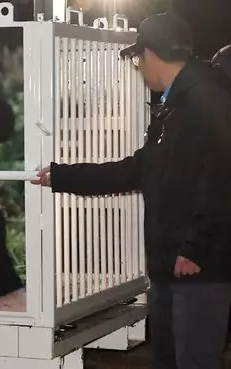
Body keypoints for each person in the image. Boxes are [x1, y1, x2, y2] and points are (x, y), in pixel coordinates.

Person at [31, 13, 231, 369]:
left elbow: (221, 177)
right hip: (172, 264)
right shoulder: (175, 104)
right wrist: (62, 176)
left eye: (139, 58)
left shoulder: (205, 99)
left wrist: (196, 247)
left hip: (197, 267)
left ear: (152, 54)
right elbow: (139, 168)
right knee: (172, 359)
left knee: (196, 361)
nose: (139, 67)